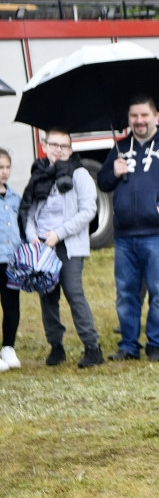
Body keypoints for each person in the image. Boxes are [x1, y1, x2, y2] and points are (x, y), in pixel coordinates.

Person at [97, 96, 159, 362]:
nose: (139, 121)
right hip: (125, 236)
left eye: (144, 115)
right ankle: (128, 345)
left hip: (158, 234)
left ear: (155, 116)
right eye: (134, 116)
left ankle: (156, 345)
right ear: (128, 119)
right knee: (126, 293)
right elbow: (103, 183)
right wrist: (113, 172)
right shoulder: (120, 147)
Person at [20, 129, 104, 368]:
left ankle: (92, 347)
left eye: (64, 146)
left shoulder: (80, 175)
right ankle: (56, 346)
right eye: (54, 144)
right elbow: (29, 211)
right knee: (47, 295)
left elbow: (88, 211)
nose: (58, 149)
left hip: (68, 245)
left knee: (74, 293)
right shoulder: (39, 173)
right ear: (45, 145)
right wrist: (32, 236)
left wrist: (59, 233)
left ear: (70, 149)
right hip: (41, 246)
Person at [0, 148, 22, 371]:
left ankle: (8, 346)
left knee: (11, 304)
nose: (4, 172)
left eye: (7, 167)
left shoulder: (15, 197)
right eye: (0, 168)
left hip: (11, 260)